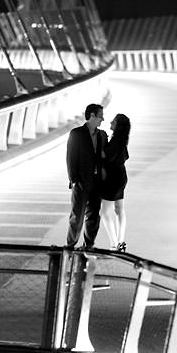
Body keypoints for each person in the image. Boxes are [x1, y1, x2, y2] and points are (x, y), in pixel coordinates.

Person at [66, 103, 107, 249]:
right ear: (92, 116)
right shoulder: (76, 134)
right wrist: (74, 180)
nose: (103, 119)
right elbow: (71, 158)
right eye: (100, 116)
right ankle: (70, 245)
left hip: (97, 182)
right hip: (81, 182)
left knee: (94, 216)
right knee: (77, 216)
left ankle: (89, 245)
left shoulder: (102, 135)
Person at [100, 113, 131, 251]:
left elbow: (104, 155)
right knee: (119, 209)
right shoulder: (121, 140)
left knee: (105, 212)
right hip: (120, 176)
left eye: (114, 121)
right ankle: (121, 241)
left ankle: (114, 244)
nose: (110, 121)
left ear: (118, 126)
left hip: (112, 177)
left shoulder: (116, 141)